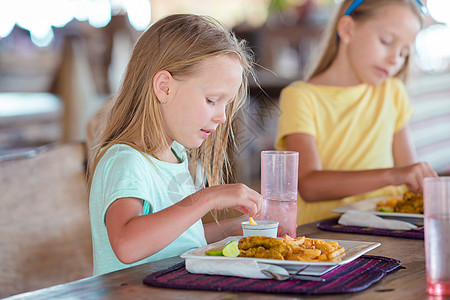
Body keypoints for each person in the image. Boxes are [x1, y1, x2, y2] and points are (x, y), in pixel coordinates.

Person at [88, 14, 263, 276]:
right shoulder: (126, 160)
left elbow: (178, 238)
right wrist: (207, 198)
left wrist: (236, 228)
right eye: (212, 100)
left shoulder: (175, 154)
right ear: (164, 88)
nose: (222, 117)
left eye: (226, 105)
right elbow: (128, 245)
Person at [275, 0, 437, 225]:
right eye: (386, 42)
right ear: (347, 29)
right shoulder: (301, 97)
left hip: (387, 229)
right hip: (326, 238)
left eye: (403, 53)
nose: (395, 60)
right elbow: (309, 186)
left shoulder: (392, 92)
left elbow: (411, 180)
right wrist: (393, 174)